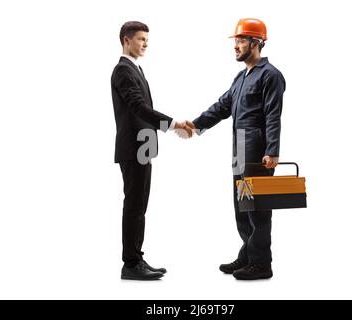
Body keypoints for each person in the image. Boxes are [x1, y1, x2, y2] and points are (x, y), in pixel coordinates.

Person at [187, 18, 286, 280]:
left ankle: (262, 264)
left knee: (258, 207)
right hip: (239, 148)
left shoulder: (271, 75)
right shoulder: (241, 77)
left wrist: (273, 150)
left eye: (241, 40)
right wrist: (195, 125)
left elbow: (273, 115)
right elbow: (222, 107)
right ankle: (248, 255)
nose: (236, 46)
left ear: (256, 42)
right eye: (236, 41)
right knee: (241, 205)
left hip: (257, 152)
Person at [111, 21, 193, 280]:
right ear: (126, 40)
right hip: (134, 147)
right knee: (134, 205)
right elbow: (138, 107)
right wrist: (173, 124)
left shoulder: (136, 69)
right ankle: (131, 263)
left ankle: (136, 259)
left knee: (139, 206)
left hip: (143, 146)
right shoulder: (123, 70)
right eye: (141, 39)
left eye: (147, 39)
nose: (145, 44)